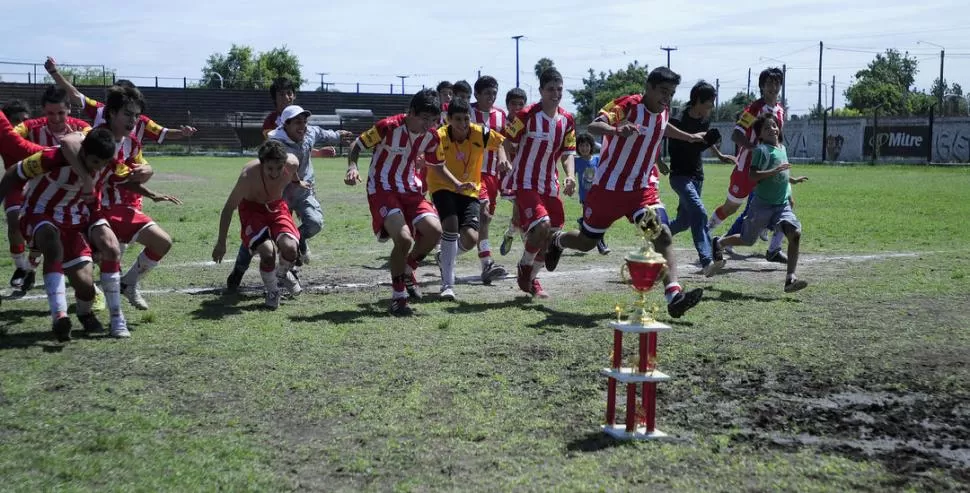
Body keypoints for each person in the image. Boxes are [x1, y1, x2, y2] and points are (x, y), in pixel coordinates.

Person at [544, 67, 705, 318]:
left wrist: (690, 137)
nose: (667, 98)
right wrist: (616, 129)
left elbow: (661, 128)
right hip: (608, 190)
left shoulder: (663, 111)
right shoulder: (627, 105)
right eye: (663, 92)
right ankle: (558, 240)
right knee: (587, 242)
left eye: (671, 93)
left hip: (640, 192)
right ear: (648, 87)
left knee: (661, 235)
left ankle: (674, 295)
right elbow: (595, 125)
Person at [0, 129, 141, 340]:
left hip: (75, 220)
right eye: (95, 162)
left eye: (103, 163)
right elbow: (14, 173)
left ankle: (85, 314)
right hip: (39, 212)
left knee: (86, 288)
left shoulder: (108, 163)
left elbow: (129, 175)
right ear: (82, 152)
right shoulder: (52, 157)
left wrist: (146, 173)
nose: (98, 168)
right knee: (52, 243)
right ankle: (60, 315)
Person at [225, 105, 354, 292]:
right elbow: (269, 164)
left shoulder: (309, 132)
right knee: (258, 238)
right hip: (278, 194)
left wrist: (338, 135)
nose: (303, 126)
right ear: (285, 125)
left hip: (303, 190)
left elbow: (322, 133)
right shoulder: (276, 143)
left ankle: (295, 247)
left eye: (304, 122)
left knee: (315, 223)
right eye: (297, 123)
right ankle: (239, 270)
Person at [345, 89, 444, 316]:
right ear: (410, 112)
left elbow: (433, 161)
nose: (428, 124)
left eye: (432, 120)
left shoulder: (432, 136)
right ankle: (398, 297)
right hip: (382, 188)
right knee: (404, 239)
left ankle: (409, 269)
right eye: (424, 118)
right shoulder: (387, 126)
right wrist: (352, 167)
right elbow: (357, 145)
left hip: (410, 188)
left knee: (434, 231)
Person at [97, 85, 181, 311]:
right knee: (95, 261)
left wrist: (151, 190)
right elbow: (115, 174)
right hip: (93, 208)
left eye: (136, 115)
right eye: (127, 114)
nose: (133, 120)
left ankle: (129, 283)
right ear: (112, 112)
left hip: (120, 207)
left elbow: (133, 175)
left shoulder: (131, 142)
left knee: (162, 242)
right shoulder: (94, 138)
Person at [7, 88, 92, 292]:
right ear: (43, 110)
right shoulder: (31, 127)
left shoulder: (82, 128)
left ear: (69, 109)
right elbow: (10, 137)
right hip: (31, 187)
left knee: (50, 236)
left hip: (67, 195)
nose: (56, 118)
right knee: (16, 223)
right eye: (50, 113)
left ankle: (31, 267)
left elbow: (93, 144)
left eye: (61, 113)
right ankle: (23, 267)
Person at [712, 113, 808, 292]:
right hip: (761, 206)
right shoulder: (760, 151)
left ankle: (790, 278)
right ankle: (720, 242)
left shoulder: (782, 148)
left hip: (781, 205)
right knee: (748, 240)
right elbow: (753, 175)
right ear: (760, 135)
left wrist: (792, 180)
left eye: (774, 125)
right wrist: (774, 171)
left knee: (795, 233)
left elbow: (782, 172)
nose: (772, 129)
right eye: (766, 128)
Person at [503, 67, 577, 299]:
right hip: (525, 183)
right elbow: (505, 141)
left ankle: (532, 278)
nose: (556, 93)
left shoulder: (567, 120)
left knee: (552, 239)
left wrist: (570, 175)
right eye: (551, 89)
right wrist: (505, 161)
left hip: (550, 184)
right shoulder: (525, 115)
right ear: (541, 91)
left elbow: (568, 152)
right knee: (542, 226)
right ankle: (524, 267)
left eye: (559, 89)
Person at [429, 97, 509, 299]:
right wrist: (455, 182)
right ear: (448, 120)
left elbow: (501, 142)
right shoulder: (439, 137)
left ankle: (443, 257)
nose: (463, 124)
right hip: (443, 186)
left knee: (471, 238)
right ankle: (447, 285)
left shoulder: (479, 133)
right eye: (458, 120)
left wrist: (502, 158)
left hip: (470, 190)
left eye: (466, 119)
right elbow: (437, 167)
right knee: (450, 225)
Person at [708, 67, 787, 261]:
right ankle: (707, 231)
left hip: (768, 170)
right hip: (746, 168)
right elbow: (736, 134)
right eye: (769, 83)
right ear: (762, 86)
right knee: (731, 207)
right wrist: (753, 149)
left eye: (777, 83)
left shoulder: (780, 110)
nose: (773, 86)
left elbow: (779, 140)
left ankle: (773, 247)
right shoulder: (754, 109)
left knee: (786, 203)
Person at [212, 141, 304, 309]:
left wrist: (298, 183)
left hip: (277, 206)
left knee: (291, 248)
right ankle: (272, 290)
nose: (275, 173)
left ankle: (282, 274)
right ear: (262, 164)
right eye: (270, 168)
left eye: (279, 168)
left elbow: (293, 171)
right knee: (268, 253)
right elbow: (228, 209)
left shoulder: (291, 163)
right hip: (252, 210)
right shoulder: (248, 176)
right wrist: (221, 242)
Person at [666, 81, 736, 276]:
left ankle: (657, 236)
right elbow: (658, 137)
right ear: (697, 100)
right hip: (679, 176)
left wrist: (719, 154)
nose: (711, 107)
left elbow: (703, 139)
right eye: (709, 103)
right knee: (699, 212)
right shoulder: (678, 118)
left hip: (697, 176)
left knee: (684, 221)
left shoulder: (704, 120)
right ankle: (707, 261)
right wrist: (657, 161)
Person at [44, 57, 197, 145]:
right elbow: (75, 95)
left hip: (125, 182)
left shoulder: (141, 121)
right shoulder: (99, 110)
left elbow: (164, 132)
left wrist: (182, 133)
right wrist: (54, 72)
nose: (133, 119)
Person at [469, 75, 510, 282]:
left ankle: (446, 253)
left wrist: (507, 162)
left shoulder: (501, 115)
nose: (491, 97)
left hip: (493, 174)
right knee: (483, 214)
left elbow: (505, 142)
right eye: (487, 93)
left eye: (494, 93)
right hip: (472, 173)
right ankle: (487, 263)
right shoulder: (467, 113)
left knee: (485, 219)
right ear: (476, 94)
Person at [499, 87, 527, 256]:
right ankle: (529, 253)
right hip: (510, 176)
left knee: (520, 213)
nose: (517, 107)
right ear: (507, 105)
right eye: (513, 103)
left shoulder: (528, 123)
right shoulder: (504, 126)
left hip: (527, 174)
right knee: (521, 212)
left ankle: (510, 234)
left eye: (520, 104)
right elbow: (500, 146)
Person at [574, 133, 608, 255]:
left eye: (587, 145)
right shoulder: (576, 162)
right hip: (585, 198)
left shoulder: (597, 160)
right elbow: (570, 173)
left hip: (598, 196)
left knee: (600, 219)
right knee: (595, 221)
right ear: (577, 147)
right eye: (581, 146)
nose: (584, 148)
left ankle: (582, 221)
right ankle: (601, 245)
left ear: (591, 146)